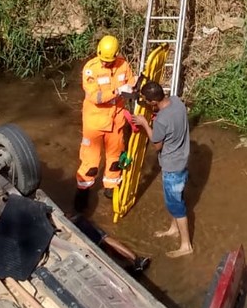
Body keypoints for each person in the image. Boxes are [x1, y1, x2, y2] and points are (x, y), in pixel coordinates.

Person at [130, 80, 192, 257]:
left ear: (153, 102)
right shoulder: (177, 102)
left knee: (176, 206)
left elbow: (157, 145)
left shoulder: (161, 121)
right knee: (176, 199)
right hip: (183, 160)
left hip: (172, 167)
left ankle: (186, 245)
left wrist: (144, 124)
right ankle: (174, 229)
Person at [76, 35, 137, 210]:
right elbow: (96, 96)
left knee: (115, 158)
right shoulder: (91, 69)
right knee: (90, 162)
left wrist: (133, 87)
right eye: (104, 60)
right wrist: (118, 90)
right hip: (95, 122)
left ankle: (111, 189)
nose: (106, 64)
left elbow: (130, 83)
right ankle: (82, 196)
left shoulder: (123, 65)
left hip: (116, 121)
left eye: (109, 61)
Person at [70, 214, 151, 275]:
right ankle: (136, 261)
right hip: (77, 222)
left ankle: (129, 267)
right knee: (104, 239)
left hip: (74, 227)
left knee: (102, 247)